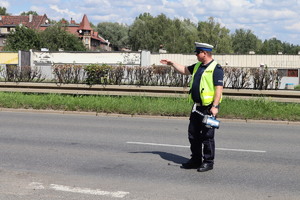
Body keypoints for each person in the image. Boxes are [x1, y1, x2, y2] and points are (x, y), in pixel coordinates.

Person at [160, 42, 223, 172]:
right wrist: (172, 63)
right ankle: (195, 160)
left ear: (204, 53)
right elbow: (184, 70)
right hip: (196, 107)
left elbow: (219, 89)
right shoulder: (198, 66)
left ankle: (208, 162)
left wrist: (215, 106)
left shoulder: (216, 68)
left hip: (208, 108)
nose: (196, 54)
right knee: (193, 135)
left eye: (197, 52)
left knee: (207, 136)